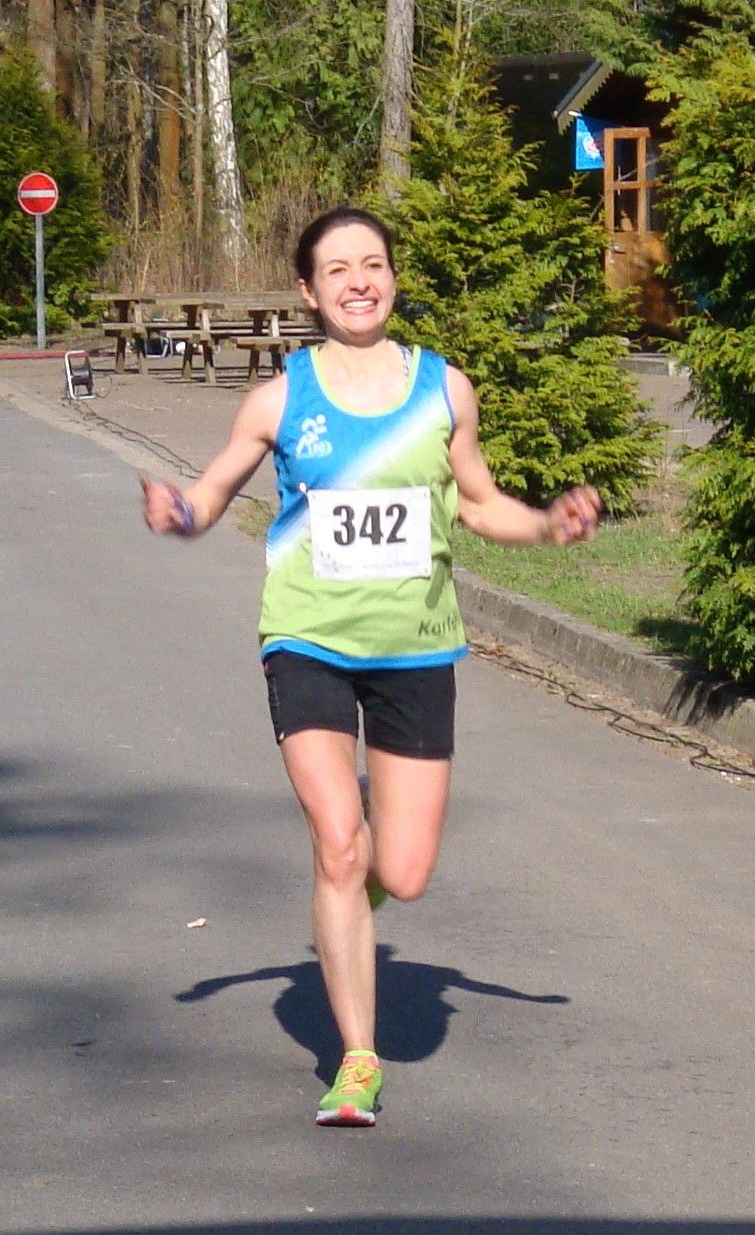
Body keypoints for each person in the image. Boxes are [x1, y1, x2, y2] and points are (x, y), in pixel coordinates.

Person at [140, 206, 602, 1129]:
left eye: (374, 264)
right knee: (339, 847)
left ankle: (369, 833)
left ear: (392, 277)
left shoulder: (443, 389)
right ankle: (357, 1059)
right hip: (306, 638)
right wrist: (180, 514)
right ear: (308, 291)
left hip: (415, 646)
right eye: (338, 269)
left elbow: (478, 503)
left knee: (407, 870)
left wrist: (548, 524)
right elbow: (213, 490)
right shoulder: (280, 400)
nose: (360, 281)